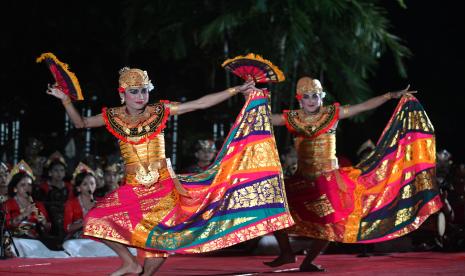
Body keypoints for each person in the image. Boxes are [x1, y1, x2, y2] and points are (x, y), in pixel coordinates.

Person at [46, 67, 293, 275]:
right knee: (94, 219)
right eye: (134, 92)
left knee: (160, 239)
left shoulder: (159, 111)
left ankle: (141, 271)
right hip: (132, 186)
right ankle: (131, 263)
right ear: (123, 95)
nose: (140, 96)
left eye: (144, 90)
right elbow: (81, 123)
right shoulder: (112, 116)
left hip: (163, 185)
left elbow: (198, 104)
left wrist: (235, 90)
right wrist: (64, 99)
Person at [265, 76, 441, 271]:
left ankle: (308, 262)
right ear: (300, 99)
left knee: (333, 226)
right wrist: (253, 103)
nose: (312, 100)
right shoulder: (291, 118)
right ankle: (286, 252)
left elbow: (363, 106)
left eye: (315, 95)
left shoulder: (332, 114)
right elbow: (267, 119)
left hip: (328, 180)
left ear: (321, 97)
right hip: (302, 179)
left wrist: (390, 95)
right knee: (273, 209)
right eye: (307, 96)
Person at [3, 160, 51, 240]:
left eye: (29, 185)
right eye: (23, 185)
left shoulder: (38, 205)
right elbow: (6, 226)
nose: (27, 188)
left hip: (34, 242)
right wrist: (24, 214)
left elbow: (47, 229)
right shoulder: (7, 204)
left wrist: (44, 223)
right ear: (15, 188)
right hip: (13, 241)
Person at [63, 163, 96, 239]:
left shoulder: (100, 203)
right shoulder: (71, 204)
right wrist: (84, 222)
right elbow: (67, 228)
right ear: (78, 188)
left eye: (92, 183)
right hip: (76, 240)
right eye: (85, 184)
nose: (89, 187)